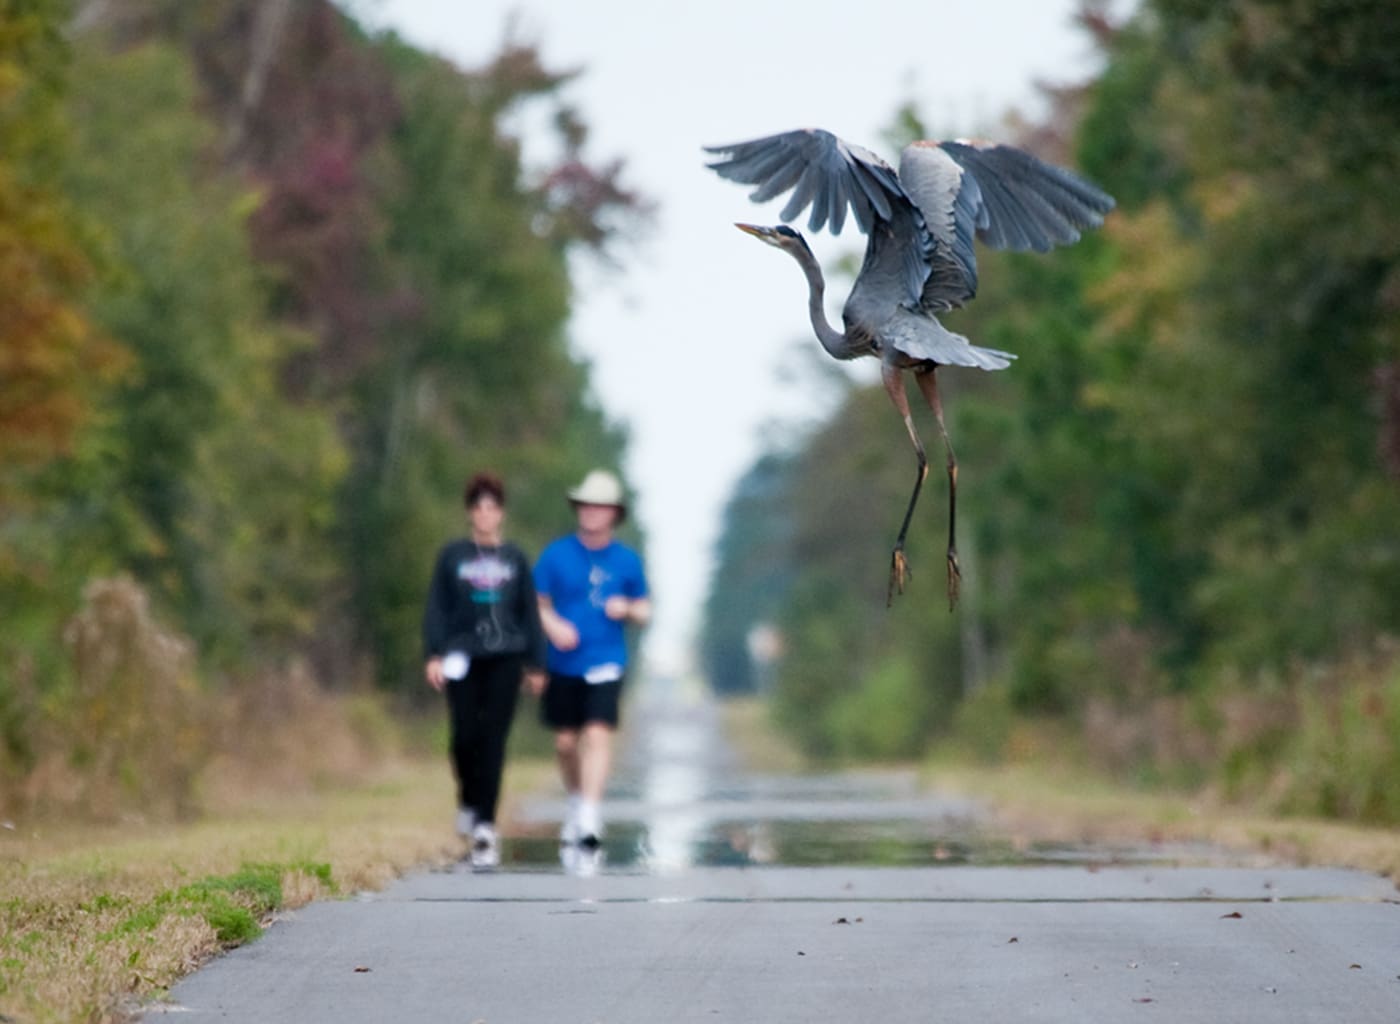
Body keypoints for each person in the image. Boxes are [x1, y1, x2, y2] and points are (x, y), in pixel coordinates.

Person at [422, 472, 546, 869]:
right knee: (464, 737)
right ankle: (468, 799)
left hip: (506, 657)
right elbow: (437, 608)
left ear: (501, 513)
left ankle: (485, 824)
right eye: (478, 507)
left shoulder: (515, 559)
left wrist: (536, 663)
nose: (485, 514)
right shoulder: (452, 556)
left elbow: (529, 612)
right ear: (469, 512)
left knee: (493, 739)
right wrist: (434, 654)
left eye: (492, 507)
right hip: (463, 655)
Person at [532, 469, 651, 850]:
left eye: (599, 506)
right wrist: (553, 625)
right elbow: (536, 602)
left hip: (606, 660)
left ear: (614, 513)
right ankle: (576, 799)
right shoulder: (556, 554)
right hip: (563, 663)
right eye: (585, 505)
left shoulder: (627, 561)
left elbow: (645, 610)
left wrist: (626, 608)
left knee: (597, 735)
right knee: (566, 744)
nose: (591, 511)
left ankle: (589, 815)